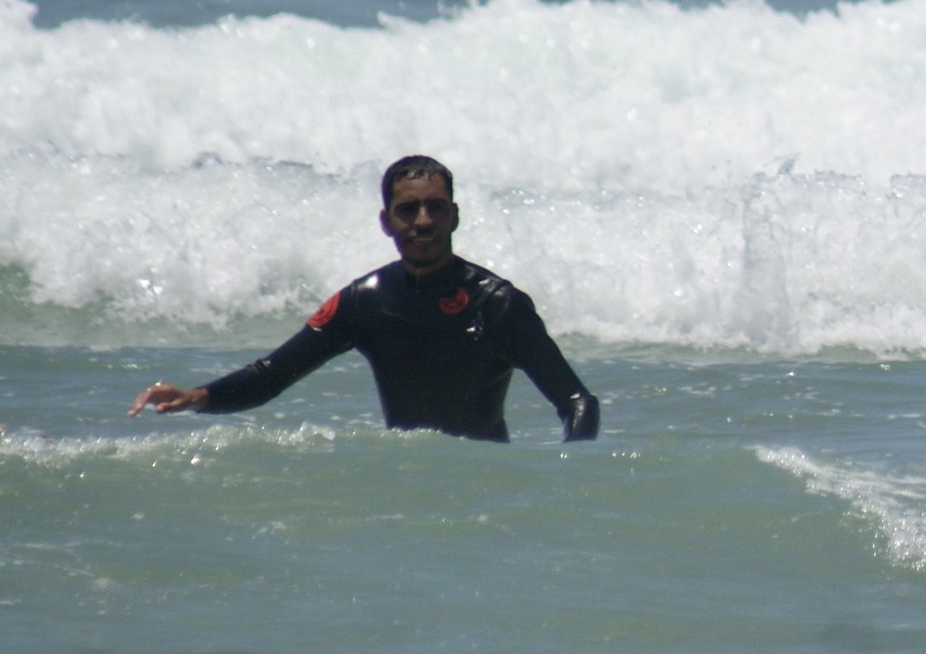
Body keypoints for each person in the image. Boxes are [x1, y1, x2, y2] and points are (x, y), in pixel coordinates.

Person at [129, 155, 600, 443]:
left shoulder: (497, 304)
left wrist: (574, 482)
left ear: (454, 217)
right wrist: (198, 397)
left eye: (435, 208)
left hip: (484, 483)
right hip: (404, 485)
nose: (422, 221)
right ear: (385, 221)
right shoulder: (364, 303)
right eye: (407, 209)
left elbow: (578, 402)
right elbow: (271, 377)